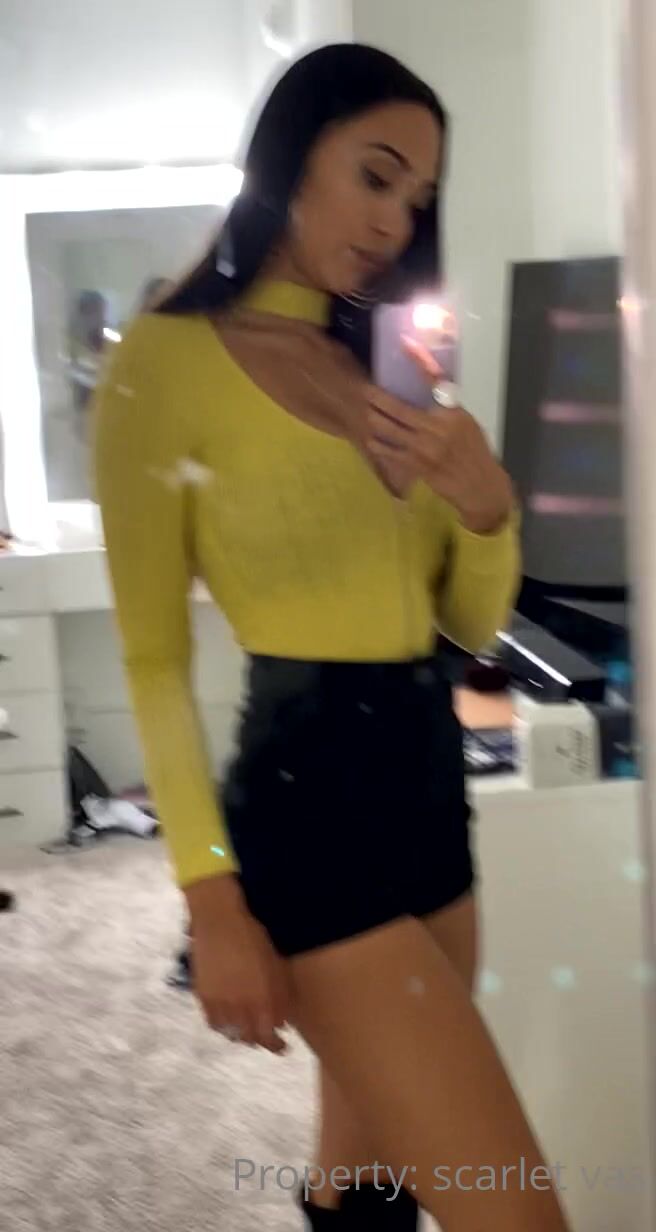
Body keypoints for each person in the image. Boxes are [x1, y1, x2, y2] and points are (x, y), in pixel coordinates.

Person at [93, 43, 572, 1232]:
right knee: (516, 1214)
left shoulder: (389, 365)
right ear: (290, 155)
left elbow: (462, 621)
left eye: (417, 195)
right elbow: (152, 658)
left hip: (428, 791)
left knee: (365, 1180)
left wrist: (488, 508)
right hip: (308, 807)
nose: (394, 219)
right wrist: (211, 902)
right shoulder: (165, 358)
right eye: (374, 173)